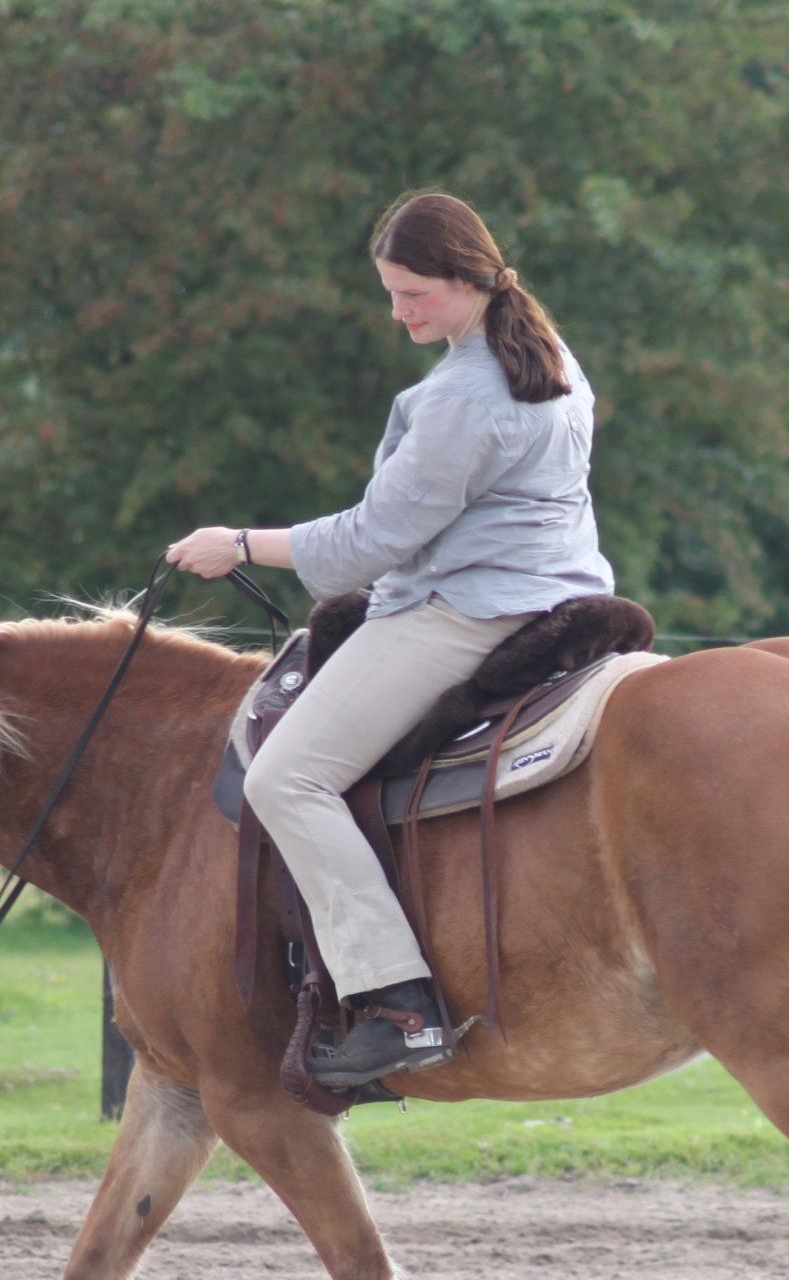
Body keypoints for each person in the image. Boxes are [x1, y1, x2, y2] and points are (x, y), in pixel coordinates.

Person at [167, 190, 614, 1087]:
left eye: (415, 294)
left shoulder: (464, 393)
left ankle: (397, 1001)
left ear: (468, 279)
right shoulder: (550, 356)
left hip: (463, 615)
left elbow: (373, 542)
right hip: (558, 596)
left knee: (286, 776)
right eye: (391, 294)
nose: (400, 312)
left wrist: (242, 545)